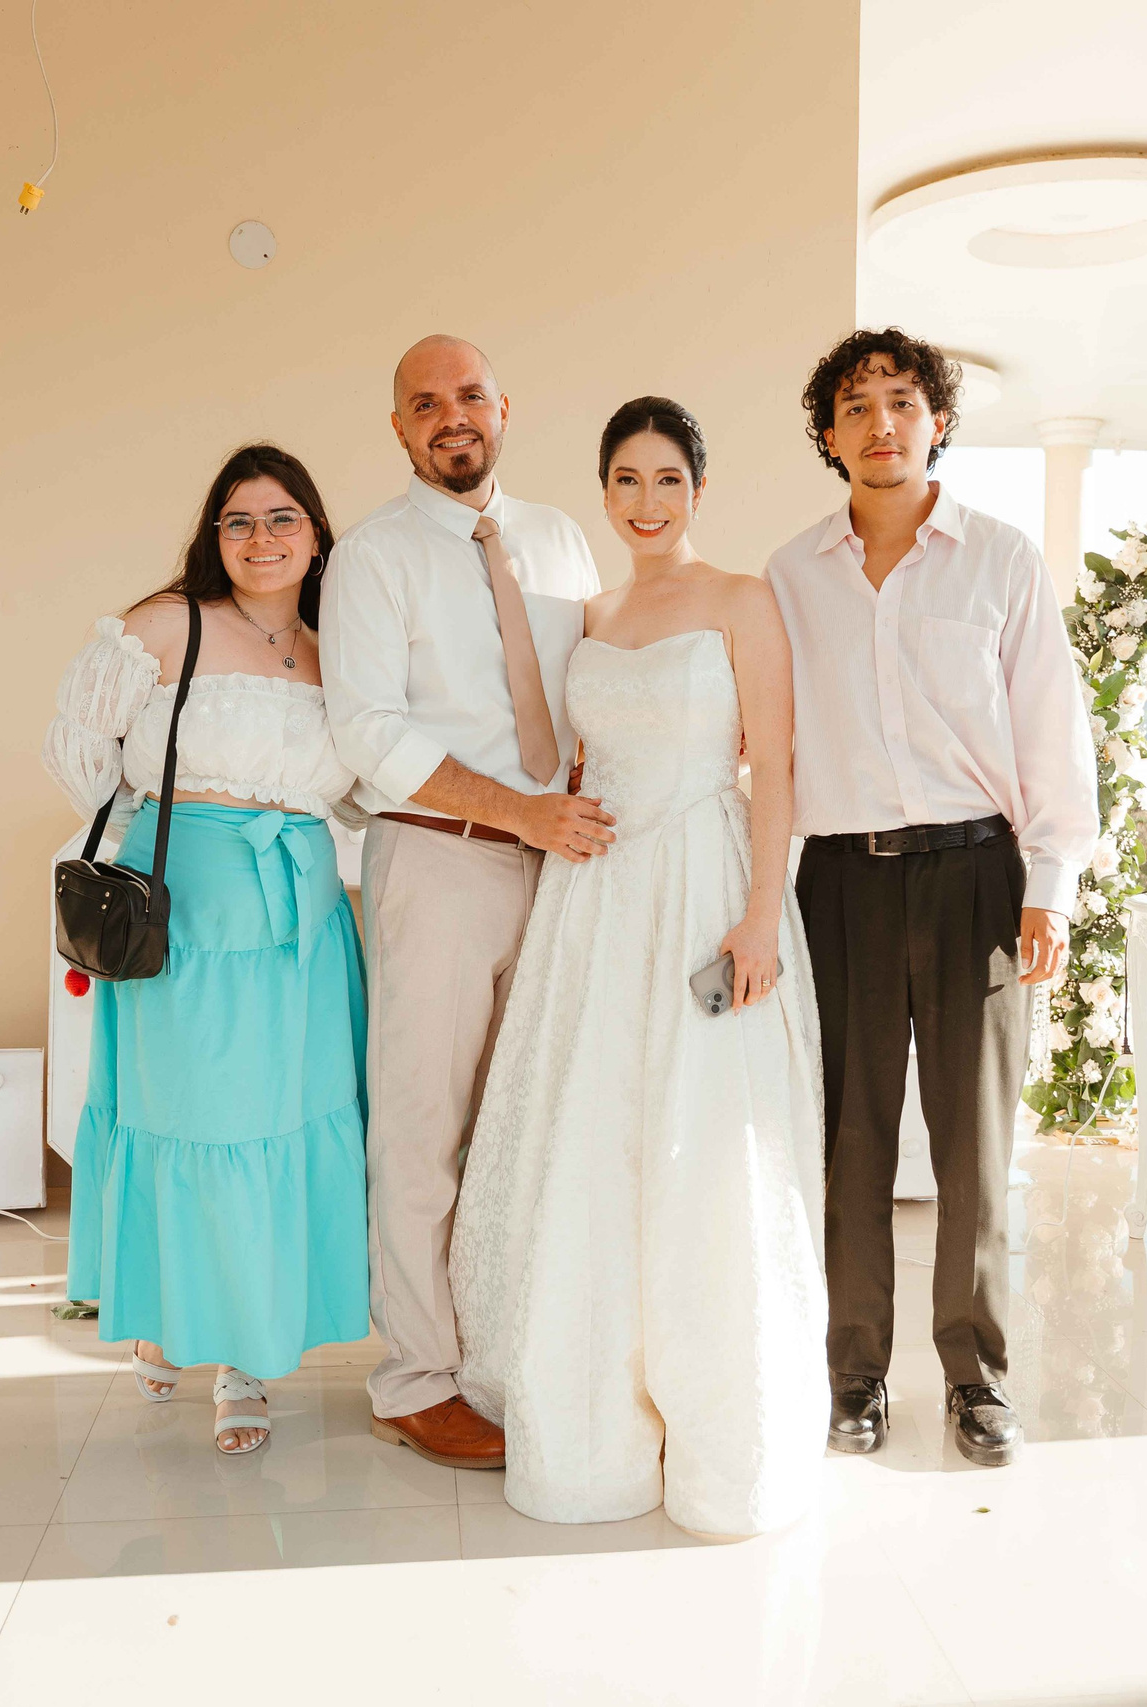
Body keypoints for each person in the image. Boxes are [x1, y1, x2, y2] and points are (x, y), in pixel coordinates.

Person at [451, 398, 826, 1535]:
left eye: (667, 480)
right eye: (626, 481)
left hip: (706, 892)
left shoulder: (743, 601)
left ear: (698, 490)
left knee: (702, 1138)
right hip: (600, 903)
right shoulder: (597, 614)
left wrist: (761, 916)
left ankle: (718, 1427)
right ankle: (598, 1422)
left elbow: (776, 772)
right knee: (599, 1130)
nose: (646, 503)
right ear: (604, 493)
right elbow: (568, 751)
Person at [766, 328, 1097, 1467]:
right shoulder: (788, 575)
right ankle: (852, 1375)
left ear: (937, 422)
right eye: (854, 407)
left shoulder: (1000, 560)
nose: (880, 425)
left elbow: (1053, 730)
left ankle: (976, 1378)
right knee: (848, 1146)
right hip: (839, 884)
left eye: (901, 403)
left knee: (972, 1149)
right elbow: (761, 738)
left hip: (976, 879)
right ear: (827, 435)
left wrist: (1046, 886)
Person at [319, 335, 614, 1470]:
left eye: (471, 396)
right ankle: (413, 1379)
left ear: (506, 408)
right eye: (425, 403)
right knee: (422, 1129)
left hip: (565, 869)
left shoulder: (557, 539)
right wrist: (518, 813)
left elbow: (588, 693)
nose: (453, 417)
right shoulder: (374, 558)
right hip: (439, 861)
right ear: (397, 428)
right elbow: (369, 733)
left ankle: (501, 1354)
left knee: (525, 1125)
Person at [42, 442, 370, 1456]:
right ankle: (164, 1321)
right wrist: (160, 834)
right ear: (212, 535)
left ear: (317, 535)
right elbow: (77, 754)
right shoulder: (164, 625)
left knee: (281, 1125)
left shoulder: (344, 647)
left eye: (283, 518)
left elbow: (365, 786)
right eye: (239, 520)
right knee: (187, 1122)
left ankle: (246, 1361)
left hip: (303, 922)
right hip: (184, 918)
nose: (261, 539)